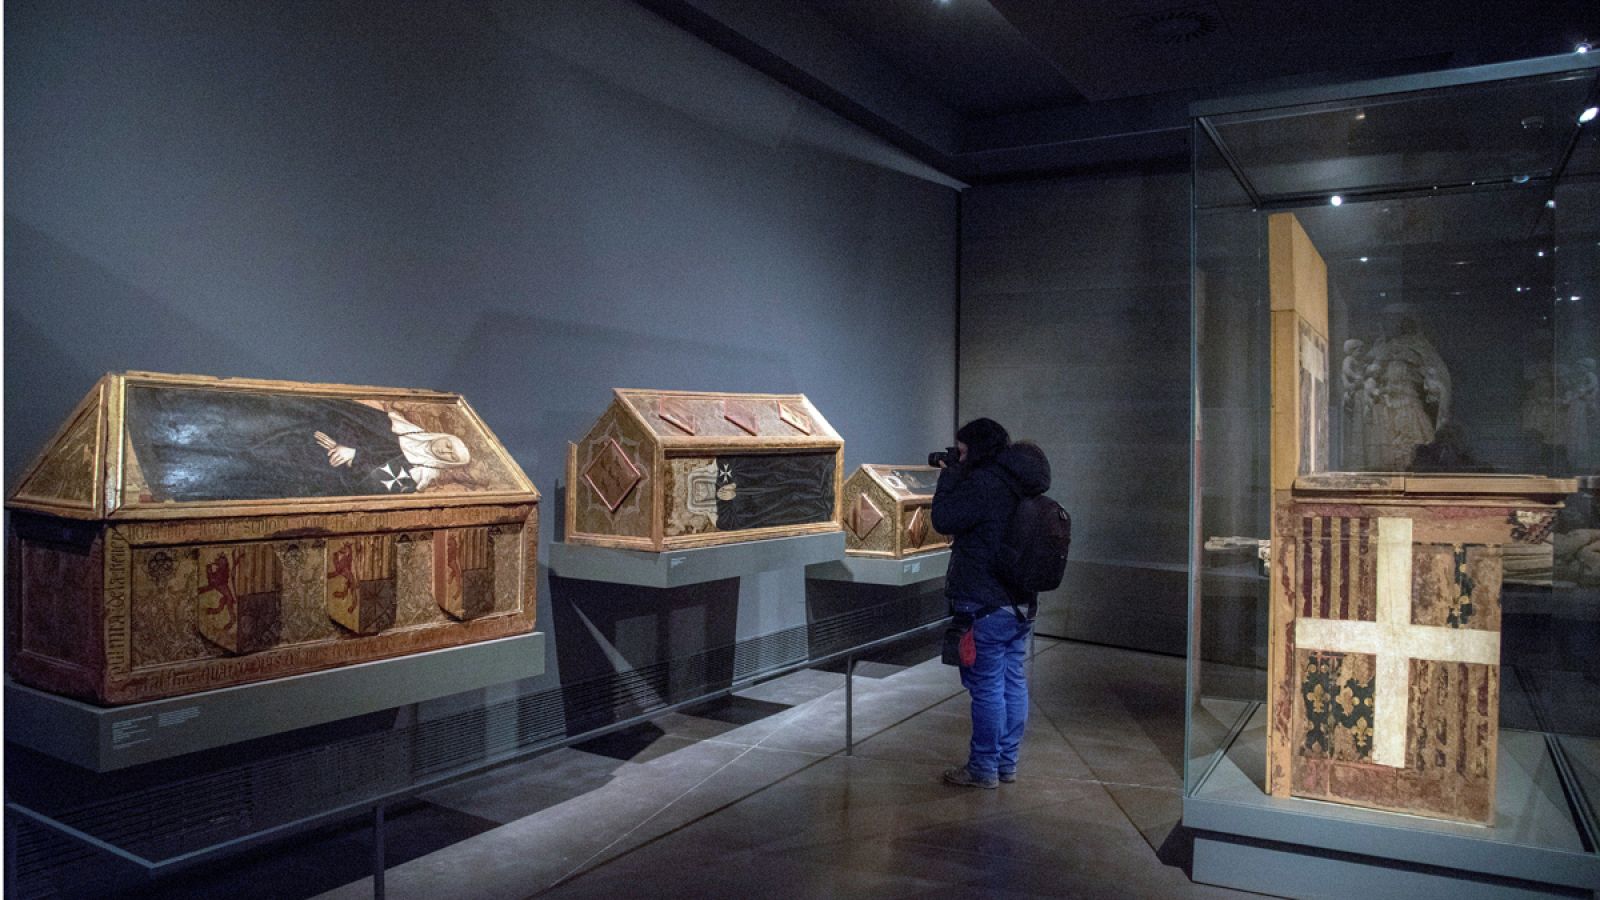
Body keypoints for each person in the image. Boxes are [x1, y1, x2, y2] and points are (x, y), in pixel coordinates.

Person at [931, 419, 1052, 789]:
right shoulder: (1022, 484)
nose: (959, 457)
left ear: (977, 449)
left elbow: (942, 519)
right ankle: (1006, 763)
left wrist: (950, 475)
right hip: (1018, 602)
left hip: (983, 602)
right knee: (1012, 682)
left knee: (986, 687)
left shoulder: (985, 484)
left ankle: (983, 767)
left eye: (963, 450)